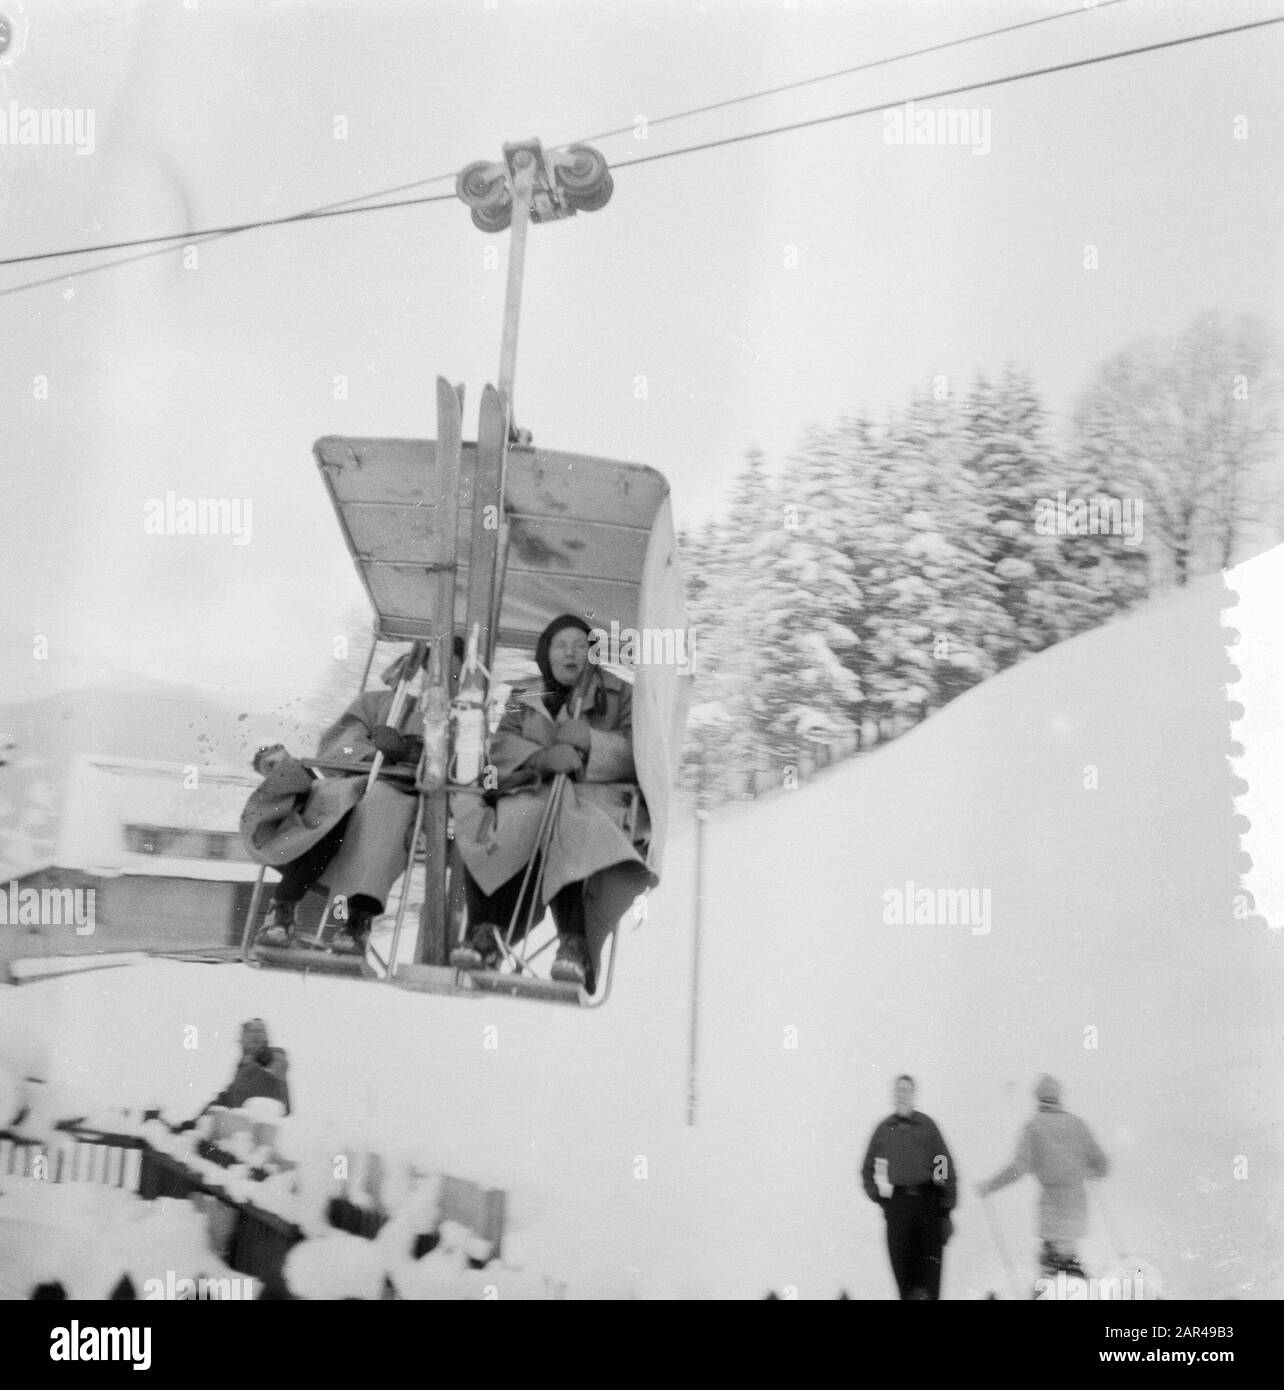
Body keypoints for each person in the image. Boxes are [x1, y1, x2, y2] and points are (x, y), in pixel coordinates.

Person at [449, 613, 650, 990]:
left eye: (580, 645)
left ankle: (573, 944)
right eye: (561, 645)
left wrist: (592, 741)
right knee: (507, 821)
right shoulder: (522, 694)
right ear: (546, 653)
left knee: (568, 825)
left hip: (597, 799)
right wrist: (541, 758)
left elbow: (642, 755)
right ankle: (489, 932)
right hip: (534, 792)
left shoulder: (621, 695)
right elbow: (500, 745)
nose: (570, 653)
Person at [241, 637, 462, 954]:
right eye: (436, 669)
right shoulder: (378, 704)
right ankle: (283, 908)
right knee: (332, 811)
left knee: (380, 816)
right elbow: (338, 746)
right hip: (349, 786)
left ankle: (357, 921)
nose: (441, 680)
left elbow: (466, 769)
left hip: (403, 797)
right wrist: (373, 753)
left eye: (452, 674)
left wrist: (410, 753)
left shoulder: (461, 725)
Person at [976, 1074, 1108, 1280]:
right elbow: (1102, 1165)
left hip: (1052, 1208)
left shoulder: (1033, 1127)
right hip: (1077, 1207)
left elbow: (1019, 1167)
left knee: (1051, 1270)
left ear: (1037, 1098)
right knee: (1070, 1263)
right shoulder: (1078, 1124)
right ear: (1059, 1096)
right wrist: (1087, 1171)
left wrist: (990, 1186)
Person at [860, 1074, 958, 1300]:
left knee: (929, 1279)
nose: (902, 1095)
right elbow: (867, 1167)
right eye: (898, 1091)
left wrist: (944, 1207)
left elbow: (941, 1163)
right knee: (905, 1278)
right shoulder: (884, 1129)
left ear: (914, 1095)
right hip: (899, 1207)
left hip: (928, 1205)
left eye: (907, 1090)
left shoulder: (926, 1126)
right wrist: (880, 1197)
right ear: (893, 1096)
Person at [173, 1019, 290, 1129]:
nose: (256, 1034)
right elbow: (223, 1100)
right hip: (240, 1134)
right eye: (251, 1031)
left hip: (264, 1133)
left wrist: (268, 1058)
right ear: (242, 1039)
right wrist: (196, 1122)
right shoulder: (241, 1074)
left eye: (260, 1031)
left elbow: (278, 1062)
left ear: (266, 1039)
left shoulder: (271, 1057)